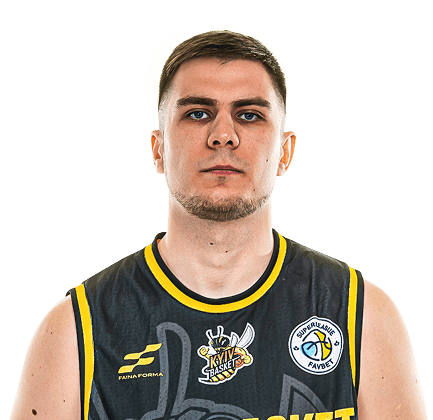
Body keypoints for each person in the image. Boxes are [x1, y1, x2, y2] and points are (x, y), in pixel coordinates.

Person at [10, 30, 428, 420]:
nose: (223, 134)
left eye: (249, 115)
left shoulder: (361, 316)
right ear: (158, 149)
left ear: (285, 152)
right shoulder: (76, 330)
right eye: (197, 113)